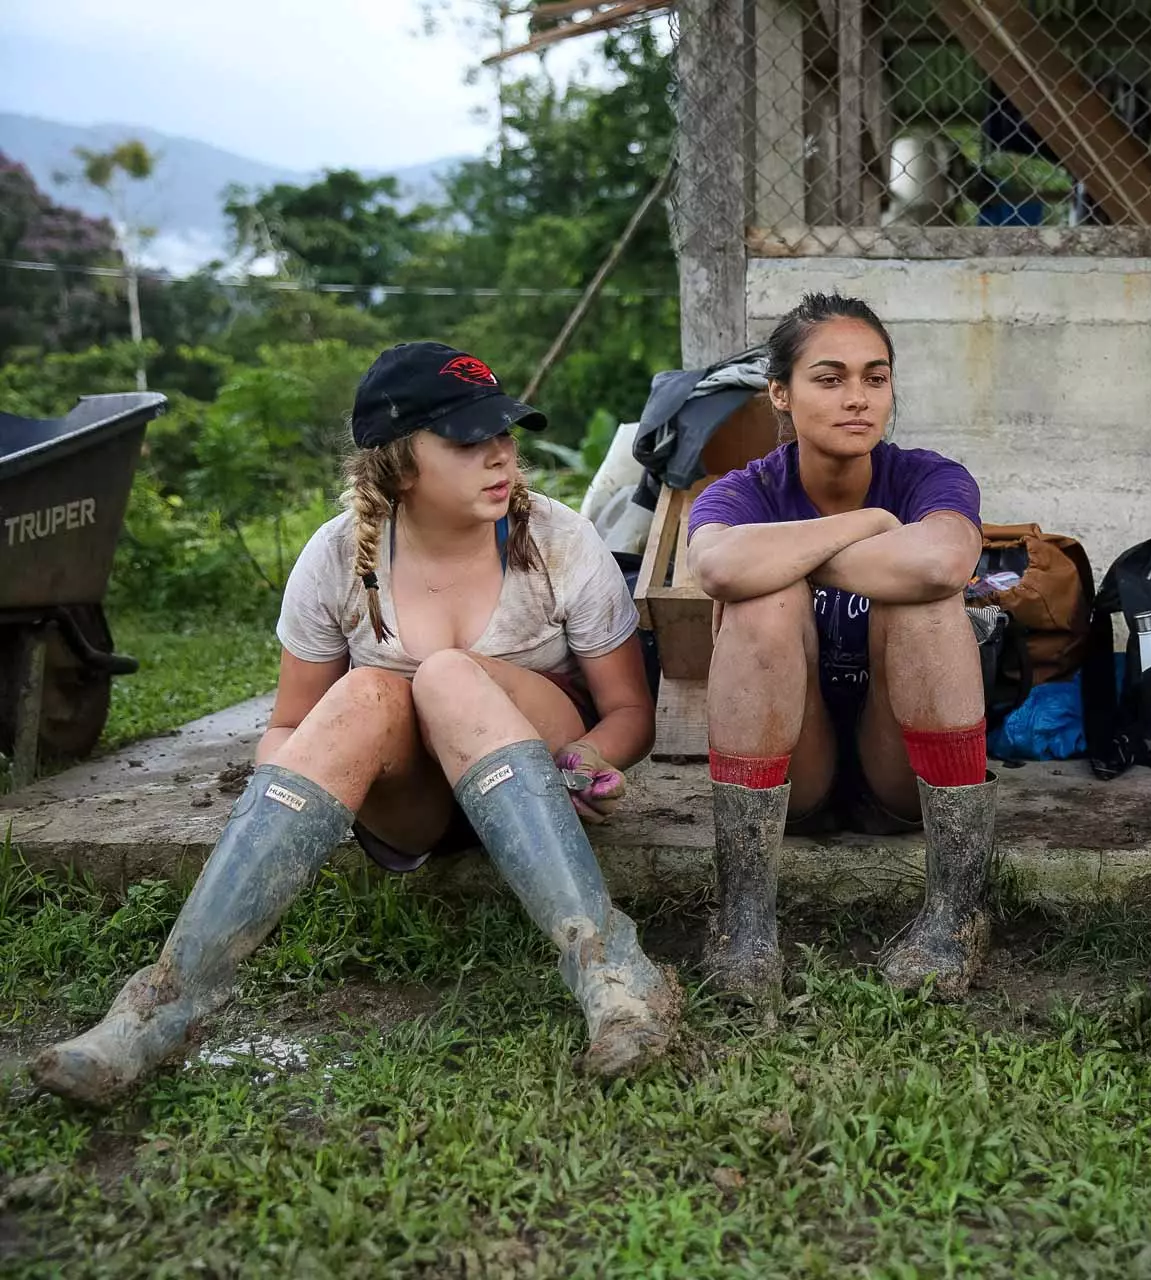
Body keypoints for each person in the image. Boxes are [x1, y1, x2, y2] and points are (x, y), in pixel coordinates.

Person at [34, 343, 678, 1105]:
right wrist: (310, 802)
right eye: (469, 441)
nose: (501, 455)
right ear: (400, 464)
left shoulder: (559, 541)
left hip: (544, 784)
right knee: (367, 692)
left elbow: (631, 713)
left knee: (444, 672)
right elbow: (288, 729)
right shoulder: (338, 556)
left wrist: (591, 762)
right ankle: (161, 1005)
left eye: (506, 433)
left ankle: (613, 973)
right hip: (415, 809)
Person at [686, 293, 993, 1003]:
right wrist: (876, 527)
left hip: (902, 772)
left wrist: (790, 555)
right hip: (797, 769)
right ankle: (744, 925)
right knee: (761, 601)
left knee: (925, 604)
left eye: (875, 378)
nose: (857, 398)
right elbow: (718, 568)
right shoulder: (745, 490)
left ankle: (956, 915)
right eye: (829, 378)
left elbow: (940, 564)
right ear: (780, 394)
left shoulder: (925, 476)